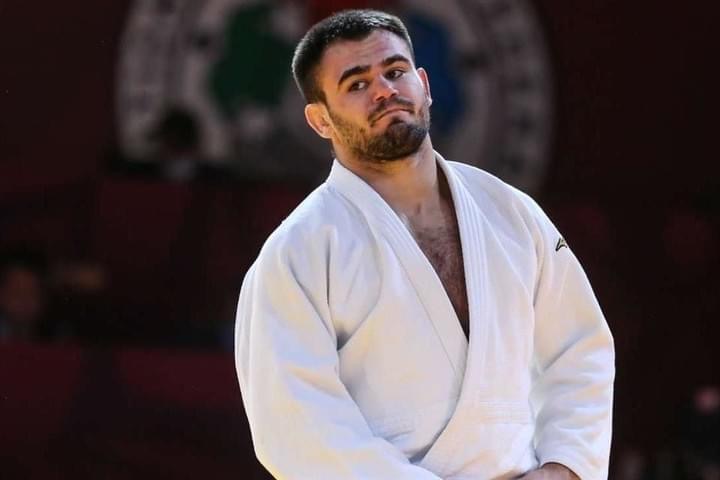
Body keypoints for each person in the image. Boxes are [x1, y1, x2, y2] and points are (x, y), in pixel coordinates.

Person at [234, 9, 614, 480]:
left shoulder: (512, 214)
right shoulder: (298, 253)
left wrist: (564, 467)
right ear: (320, 120)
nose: (384, 91)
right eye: (357, 84)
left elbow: (580, 349)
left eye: (395, 72)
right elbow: (297, 428)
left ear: (424, 84)